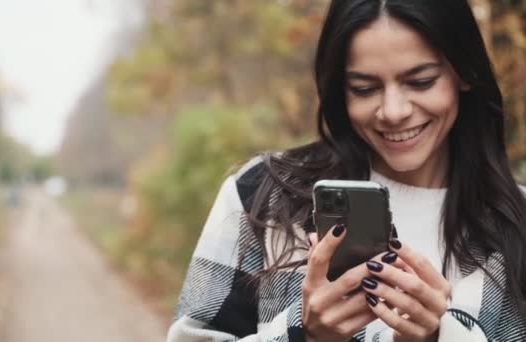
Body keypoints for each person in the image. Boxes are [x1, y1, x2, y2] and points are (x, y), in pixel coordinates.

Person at [167, 0, 526, 341]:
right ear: (341, 90)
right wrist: (303, 334)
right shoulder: (264, 195)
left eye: (421, 81)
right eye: (365, 88)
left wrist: (443, 337)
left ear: (465, 73)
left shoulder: (517, 222)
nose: (393, 110)